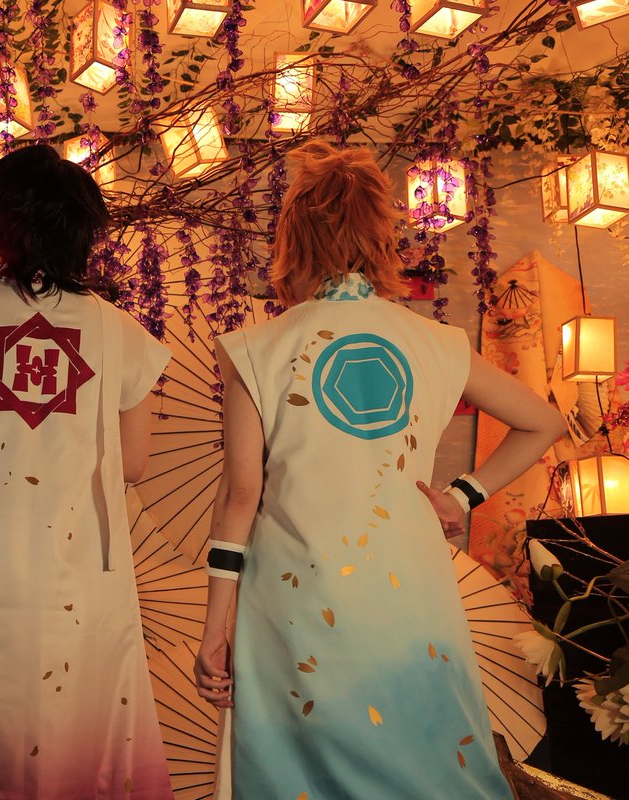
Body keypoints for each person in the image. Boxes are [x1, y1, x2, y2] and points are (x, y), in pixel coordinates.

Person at [193, 142, 565, 798]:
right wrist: (461, 495)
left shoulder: (254, 348)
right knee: (426, 761)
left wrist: (214, 625)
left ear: (293, 237)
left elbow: (241, 495)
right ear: (381, 235)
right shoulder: (438, 342)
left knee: (296, 773)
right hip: (411, 593)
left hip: (293, 599)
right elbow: (544, 422)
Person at [0, 144, 175, 799]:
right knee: (84, 737)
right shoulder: (121, 334)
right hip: (85, 580)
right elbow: (132, 464)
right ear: (84, 230)